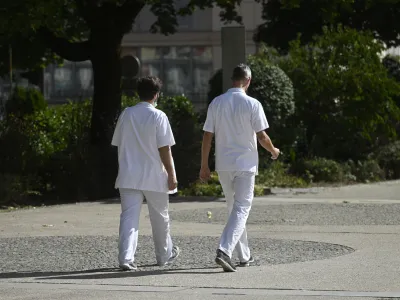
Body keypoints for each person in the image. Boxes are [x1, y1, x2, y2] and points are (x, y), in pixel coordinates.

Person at [199, 64, 280, 272]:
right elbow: (262, 136)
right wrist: (273, 151)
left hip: (224, 164)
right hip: (245, 164)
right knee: (242, 208)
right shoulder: (253, 104)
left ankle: (244, 255)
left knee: (233, 209)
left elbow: (207, 136)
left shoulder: (217, 103)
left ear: (232, 79)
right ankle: (224, 250)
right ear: (249, 80)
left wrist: (204, 165)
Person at [111, 76, 180, 271]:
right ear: (156, 94)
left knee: (129, 217)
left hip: (128, 174)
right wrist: (172, 175)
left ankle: (126, 258)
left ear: (138, 93)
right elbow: (165, 149)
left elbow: (118, 143)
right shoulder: (159, 116)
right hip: (154, 175)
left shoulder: (126, 114)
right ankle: (164, 255)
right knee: (160, 217)